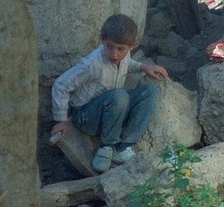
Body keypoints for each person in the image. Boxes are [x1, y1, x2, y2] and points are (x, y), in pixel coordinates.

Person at [51, 14, 170, 173]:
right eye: (109, 47)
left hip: (112, 111)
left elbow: (127, 63)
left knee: (150, 92)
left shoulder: (124, 56)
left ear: (132, 46)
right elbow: (61, 85)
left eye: (121, 49)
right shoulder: (92, 64)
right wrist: (61, 120)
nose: (114, 54)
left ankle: (123, 147)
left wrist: (143, 67)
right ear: (102, 40)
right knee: (119, 96)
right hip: (87, 117)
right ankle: (106, 147)